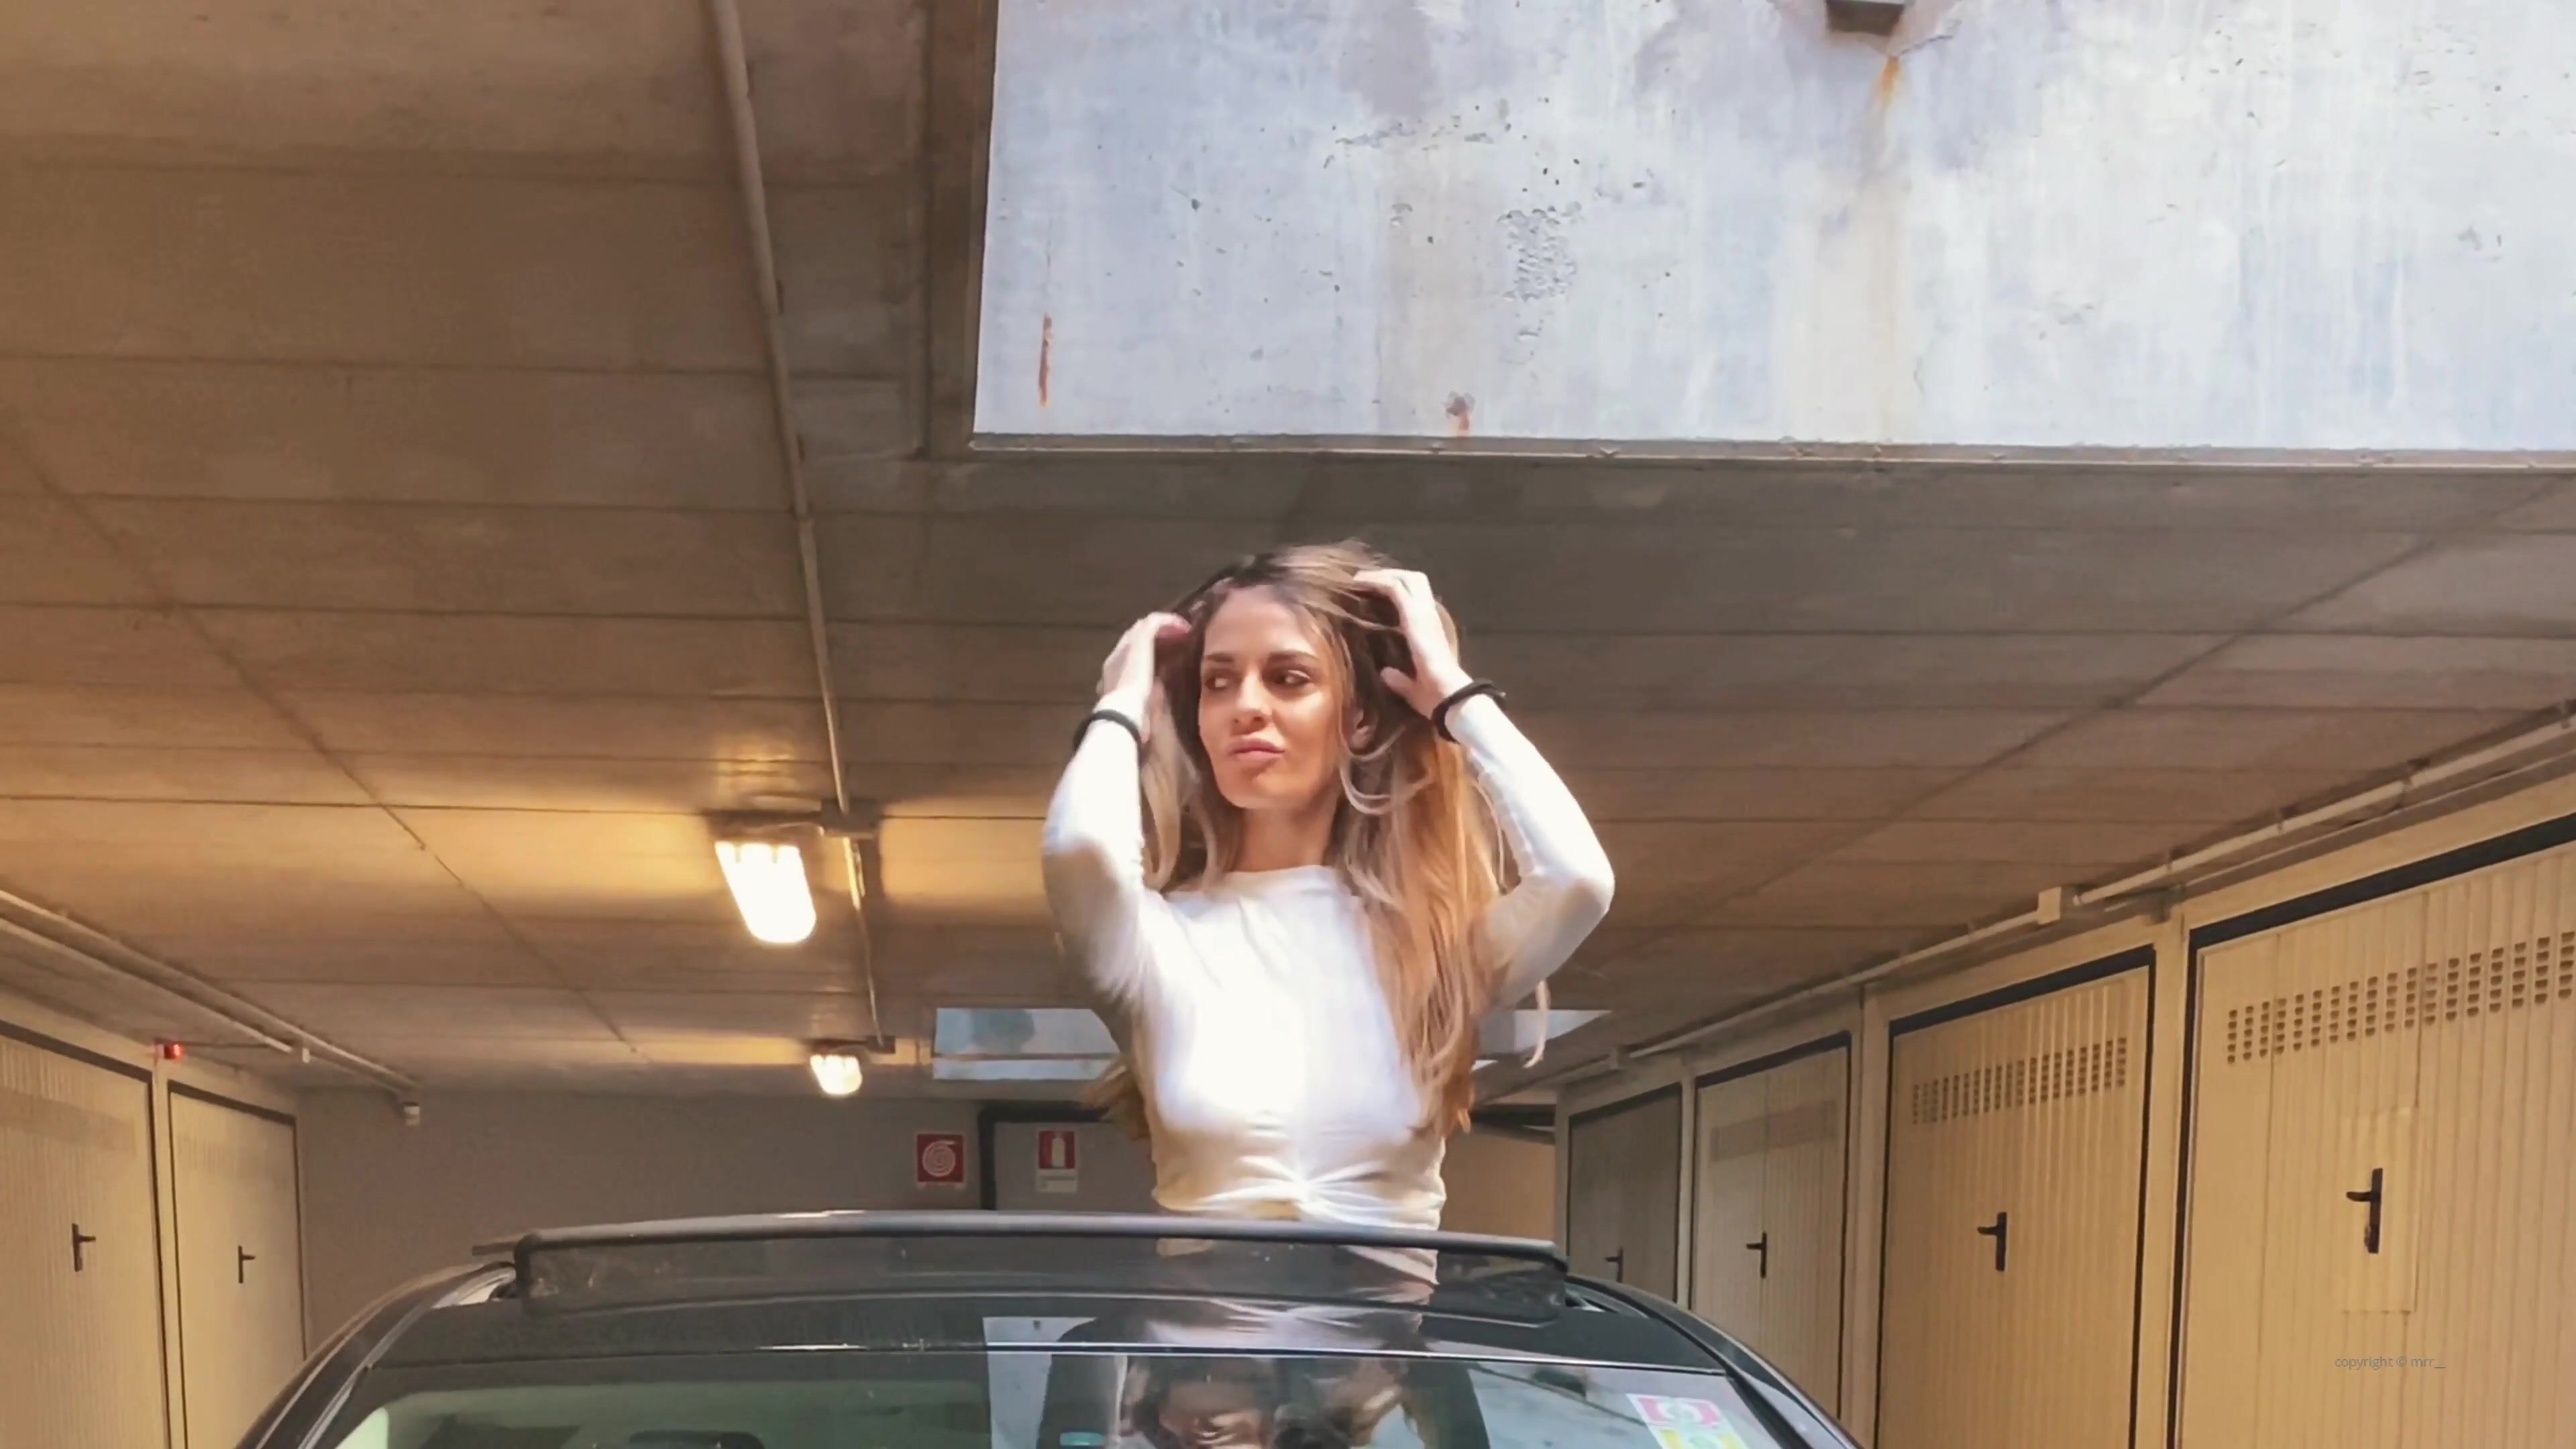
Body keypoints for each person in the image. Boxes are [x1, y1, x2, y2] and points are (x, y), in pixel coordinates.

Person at [1040, 541, 1615, 1236]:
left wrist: (1456, 699)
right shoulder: (1154, 940)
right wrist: (1121, 708)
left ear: (1360, 716)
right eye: (1218, 683)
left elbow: (1577, 880)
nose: (1246, 706)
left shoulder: (1427, 946)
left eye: (1288, 678)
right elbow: (1080, 848)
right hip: (1202, 1311)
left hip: (1386, 1311)